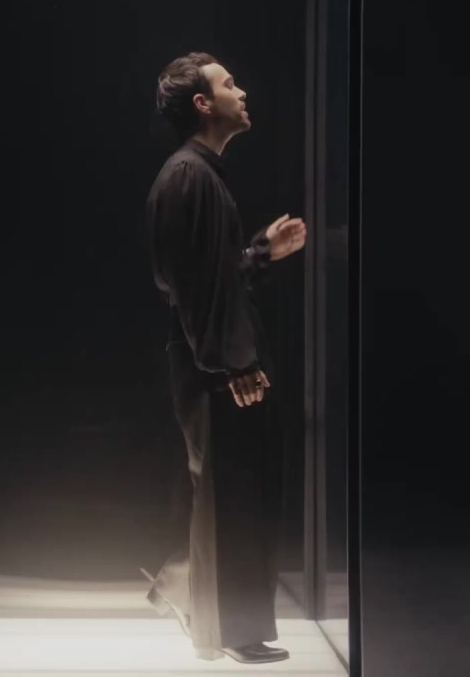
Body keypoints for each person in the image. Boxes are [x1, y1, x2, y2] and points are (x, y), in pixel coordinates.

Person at [143, 51, 307, 664]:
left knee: (231, 490)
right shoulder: (189, 176)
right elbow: (190, 290)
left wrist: (260, 252)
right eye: (229, 84)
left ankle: (184, 588)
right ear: (203, 104)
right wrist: (231, 364)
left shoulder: (199, 175)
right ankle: (229, 626)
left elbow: (212, 277)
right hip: (213, 363)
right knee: (230, 494)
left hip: (213, 357)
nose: (242, 92)